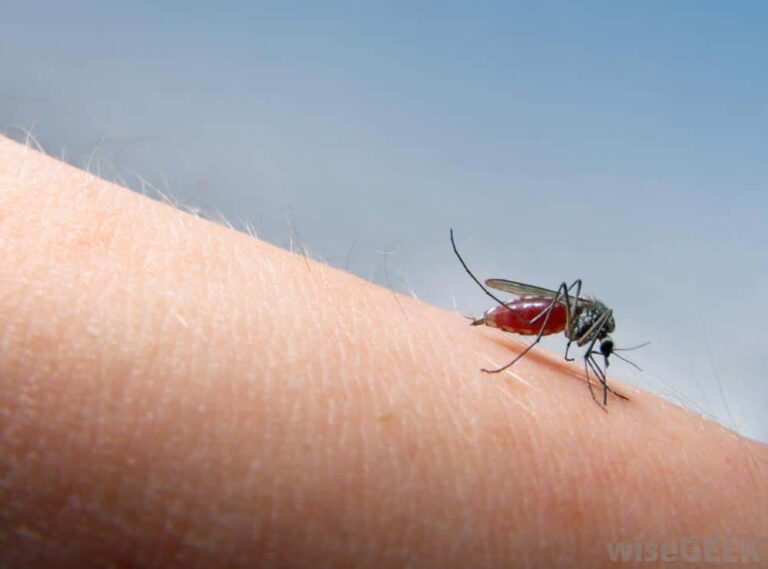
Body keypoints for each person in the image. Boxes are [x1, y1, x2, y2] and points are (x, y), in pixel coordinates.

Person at [1, 135, 765, 568]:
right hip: (540, 311)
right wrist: (542, 333)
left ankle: (497, 323)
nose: (597, 353)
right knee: (563, 300)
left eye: (595, 349)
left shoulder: (592, 329)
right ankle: (496, 325)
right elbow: (580, 323)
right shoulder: (581, 321)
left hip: (546, 315)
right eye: (599, 348)